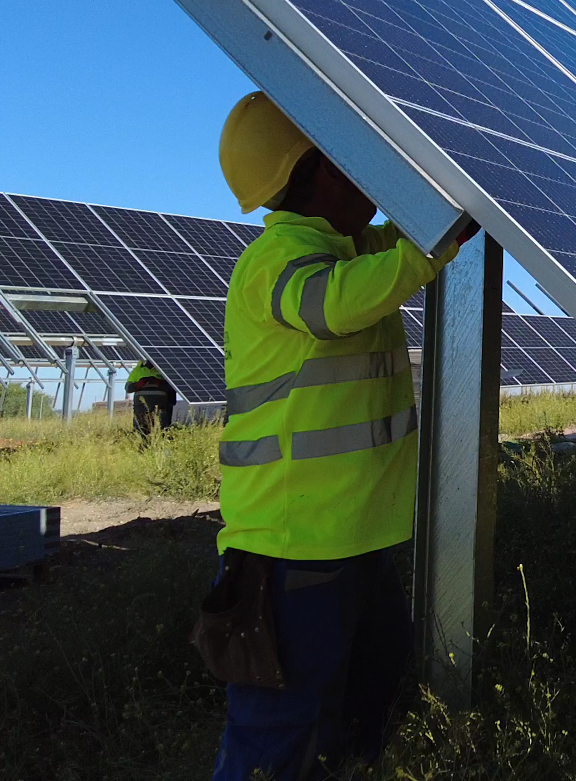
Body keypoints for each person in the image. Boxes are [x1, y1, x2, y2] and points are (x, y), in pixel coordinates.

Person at [207, 91, 475, 781]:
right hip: (293, 550)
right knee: (280, 734)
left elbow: (395, 246)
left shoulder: (344, 247)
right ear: (320, 171)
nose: (372, 182)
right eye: (356, 162)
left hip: (355, 540)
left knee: (363, 714)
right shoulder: (276, 262)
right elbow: (337, 304)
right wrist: (434, 245)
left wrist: (445, 217)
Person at [125, 359, 176, 438]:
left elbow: (173, 387)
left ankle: (162, 444)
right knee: (142, 429)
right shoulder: (137, 371)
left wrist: (158, 382)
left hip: (160, 406)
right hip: (141, 406)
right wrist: (139, 384)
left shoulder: (164, 370)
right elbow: (128, 388)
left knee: (162, 428)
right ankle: (143, 445)